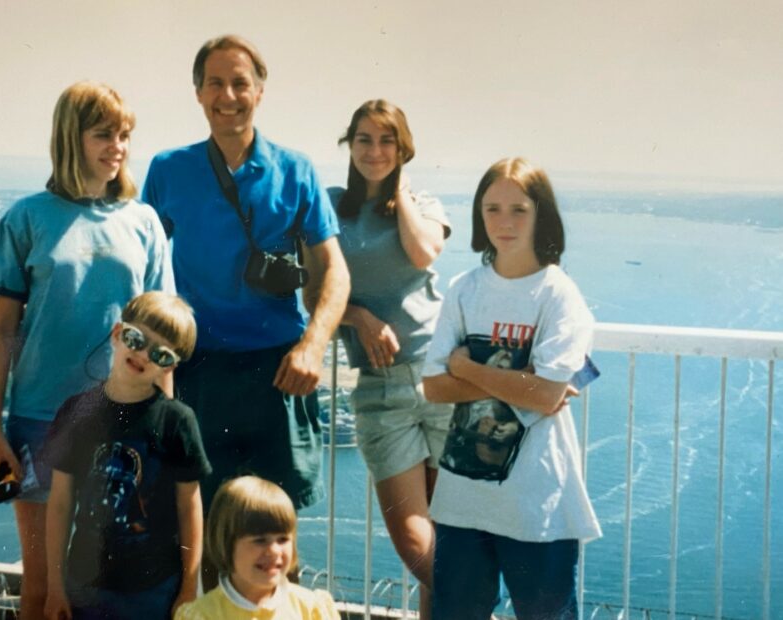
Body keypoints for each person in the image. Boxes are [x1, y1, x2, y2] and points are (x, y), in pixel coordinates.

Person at [0, 81, 172, 619]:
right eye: (103, 134)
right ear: (72, 137)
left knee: (111, 586)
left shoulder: (145, 224)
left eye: (125, 135)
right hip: (40, 424)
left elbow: (161, 342)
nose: (118, 146)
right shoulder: (27, 219)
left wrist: (163, 430)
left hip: (124, 427)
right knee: (41, 591)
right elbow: (1, 333)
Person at [141, 34, 351, 518]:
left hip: (278, 370)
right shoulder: (170, 169)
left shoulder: (294, 170)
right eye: (215, 83)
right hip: (197, 370)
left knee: (277, 531)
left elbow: (334, 270)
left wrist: (314, 345)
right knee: (204, 524)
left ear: (260, 92)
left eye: (240, 83)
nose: (228, 96)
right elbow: (144, 267)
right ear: (198, 93)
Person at [421, 157, 600, 619]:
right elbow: (435, 387)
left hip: (538, 504)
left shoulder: (558, 294)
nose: (504, 222)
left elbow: (542, 395)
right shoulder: (464, 289)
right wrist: (522, 384)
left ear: (542, 214)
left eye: (518, 209)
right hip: (463, 501)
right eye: (492, 209)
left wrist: (467, 365)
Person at [328, 99, 452, 619]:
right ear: (348, 144)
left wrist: (396, 191)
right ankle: (474, 592)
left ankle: (460, 598)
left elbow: (423, 253)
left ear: (403, 149)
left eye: (387, 141)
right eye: (364, 139)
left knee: (446, 529)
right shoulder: (330, 206)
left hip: (444, 378)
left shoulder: (424, 205)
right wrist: (357, 317)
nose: (374, 151)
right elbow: (314, 291)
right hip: (380, 388)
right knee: (413, 538)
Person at [42, 292, 209, 620]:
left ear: (171, 366)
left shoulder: (177, 421)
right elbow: (60, 502)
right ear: (117, 333)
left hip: (154, 587)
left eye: (160, 354)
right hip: (83, 584)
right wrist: (55, 586)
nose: (143, 355)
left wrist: (189, 588)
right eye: (136, 339)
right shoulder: (77, 413)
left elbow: (190, 507)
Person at [173, 476, 340, 620]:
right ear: (226, 544)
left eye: (282, 539)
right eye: (260, 540)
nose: (274, 551)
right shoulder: (203, 615)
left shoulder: (310, 609)